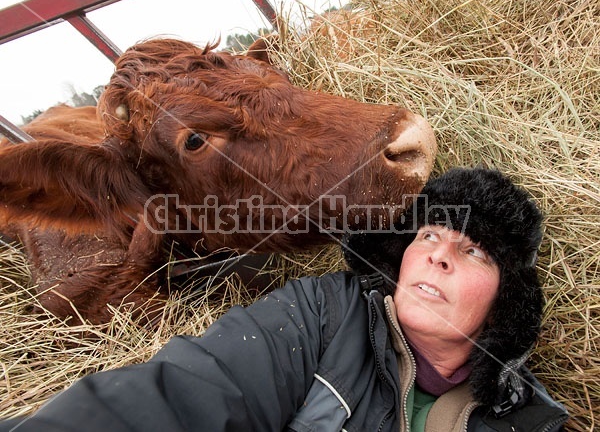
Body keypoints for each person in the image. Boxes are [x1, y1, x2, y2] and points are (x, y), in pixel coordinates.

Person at [0, 167, 568, 431]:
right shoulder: (323, 315)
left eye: (474, 251)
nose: (438, 255)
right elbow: (189, 394)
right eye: (427, 235)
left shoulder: (530, 419)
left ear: (507, 299)